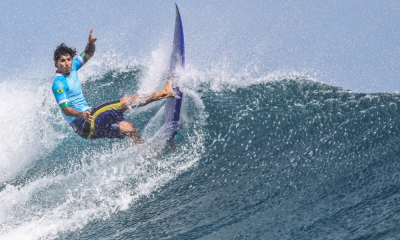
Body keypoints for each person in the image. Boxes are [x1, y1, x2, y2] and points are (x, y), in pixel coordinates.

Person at [52, 29, 173, 144]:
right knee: (125, 102)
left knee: (128, 128)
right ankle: (164, 93)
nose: (67, 63)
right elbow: (66, 110)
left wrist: (90, 43)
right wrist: (82, 114)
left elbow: (89, 52)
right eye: (62, 61)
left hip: (87, 131)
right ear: (56, 63)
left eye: (69, 59)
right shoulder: (59, 84)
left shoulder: (72, 67)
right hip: (84, 122)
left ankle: (145, 152)